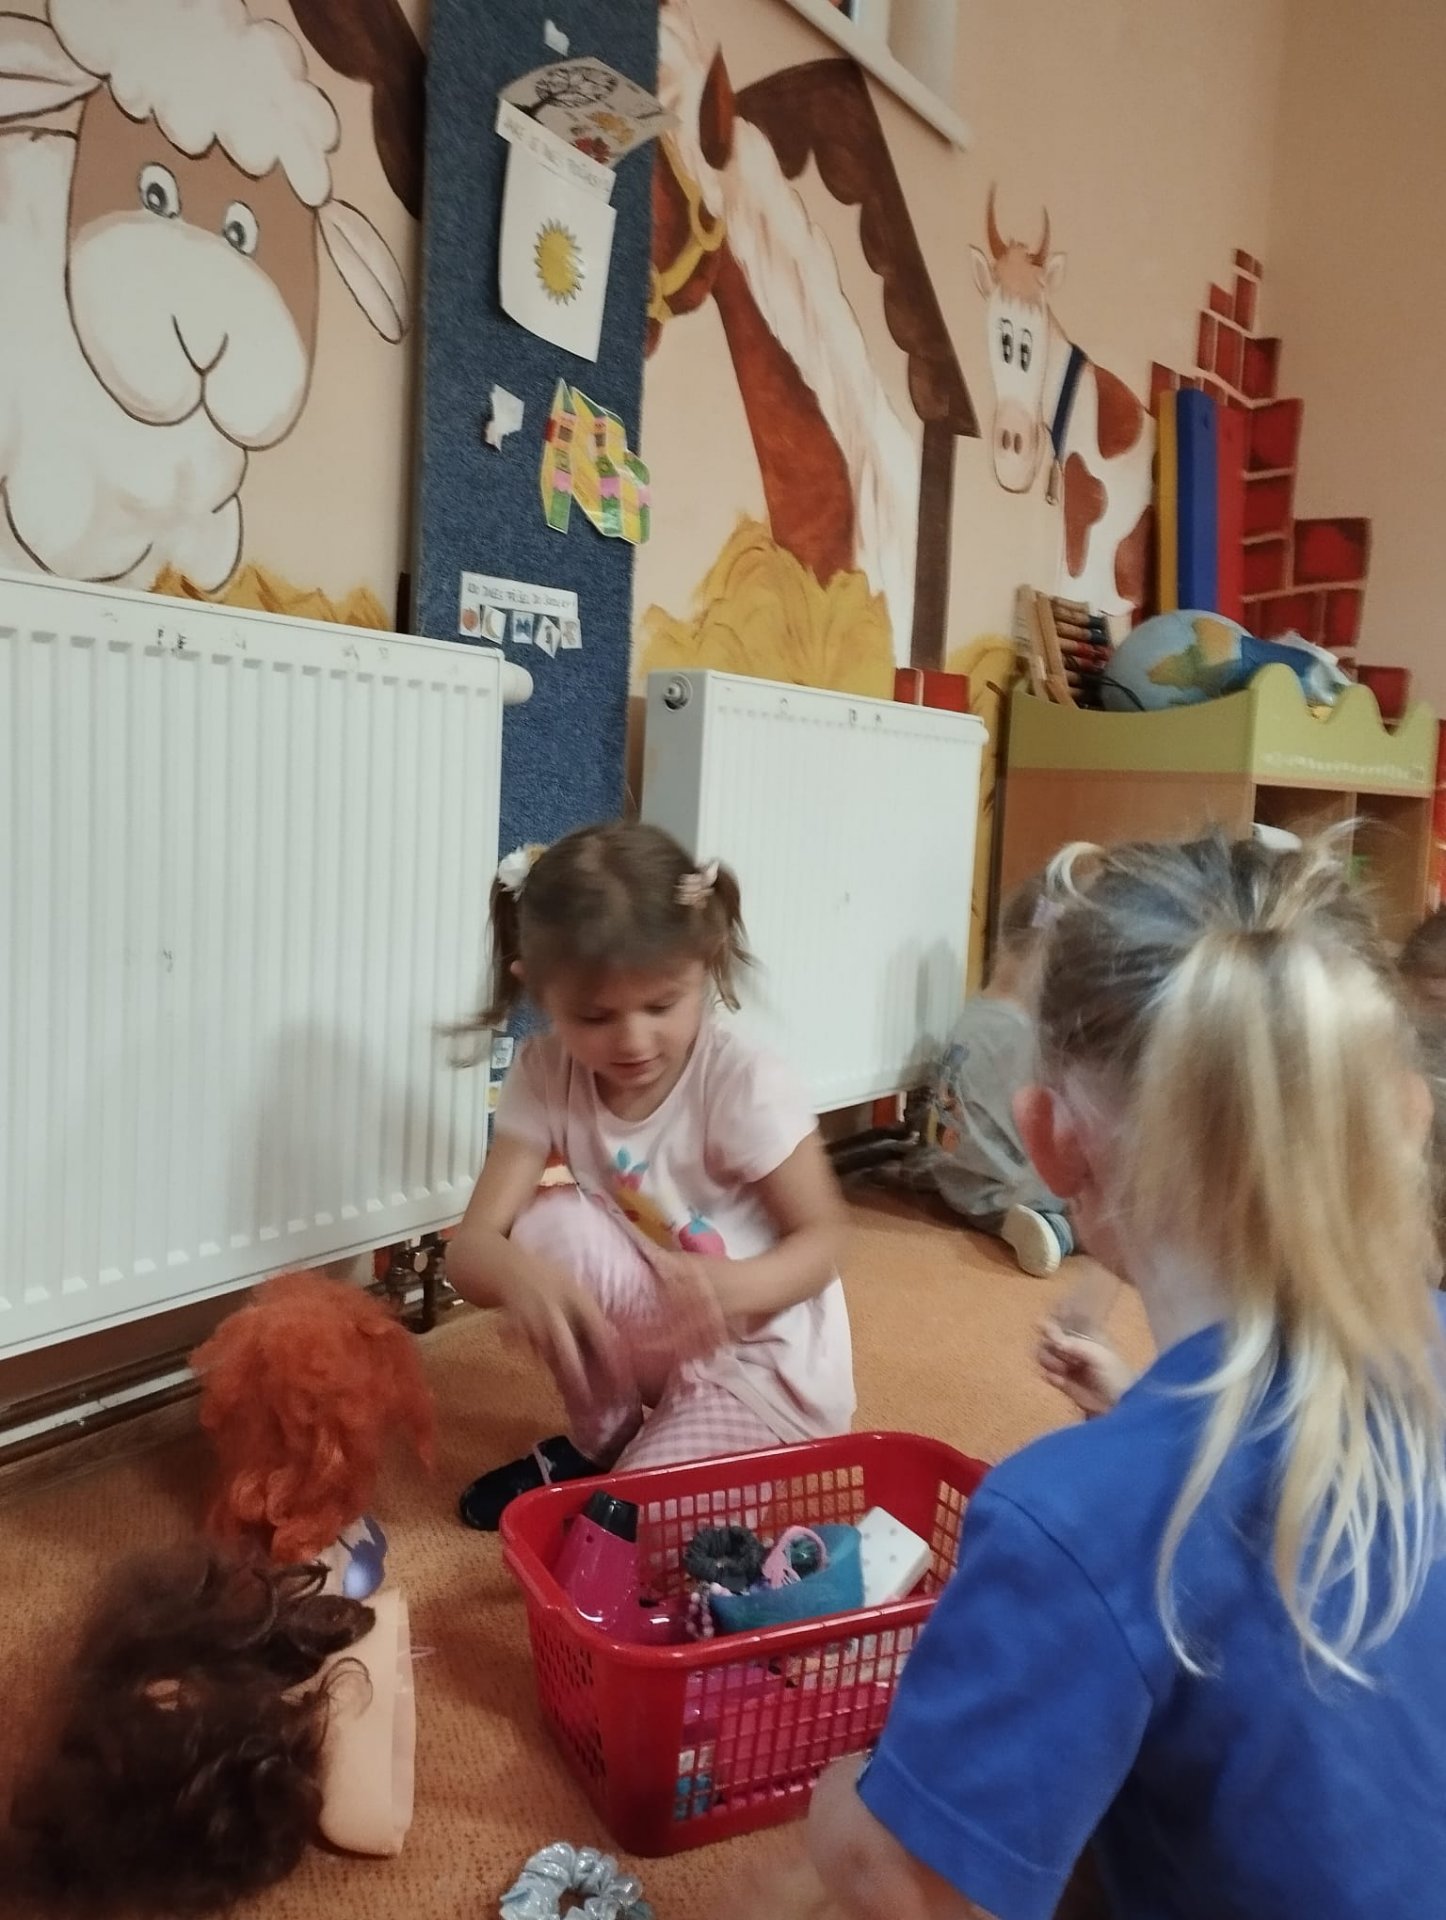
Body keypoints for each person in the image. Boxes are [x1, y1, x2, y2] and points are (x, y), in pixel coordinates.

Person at [794, 831, 1446, 1919]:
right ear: (1408, 1114)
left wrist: (840, 1809)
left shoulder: (1072, 1519)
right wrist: (1142, 1422)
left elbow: (905, 1891)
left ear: (1049, 1141)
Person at [447, 822, 853, 1530]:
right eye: (594, 1015)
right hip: (667, 1332)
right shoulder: (545, 1073)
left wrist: (739, 1288)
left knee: (613, 1536)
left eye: (662, 1005)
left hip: (763, 1368)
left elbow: (826, 1238)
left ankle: (645, 1464)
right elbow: (472, 1247)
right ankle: (603, 1442)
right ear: (535, 988)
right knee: (548, 1225)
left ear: (705, 963)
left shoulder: (743, 1083)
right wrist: (514, 1275)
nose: (633, 1040)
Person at [880, 871, 1073, 1277]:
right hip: (1012, 1191)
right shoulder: (1026, 1037)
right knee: (1109, 1209)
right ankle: (1054, 1229)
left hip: (957, 1181)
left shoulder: (972, 1014)